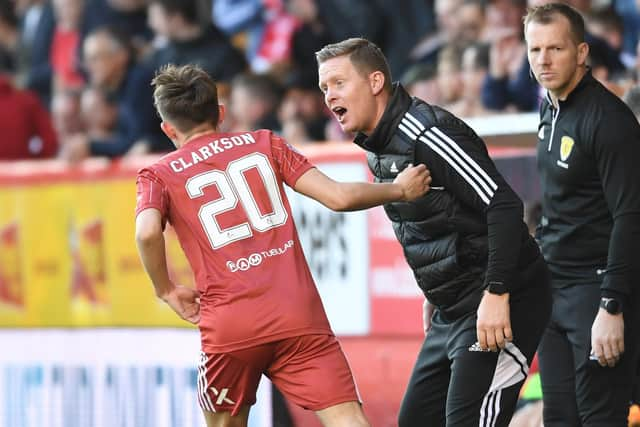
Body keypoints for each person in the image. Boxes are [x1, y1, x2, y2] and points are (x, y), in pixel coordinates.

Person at [134, 63, 431, 427]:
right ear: (221, 113)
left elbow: (147, 233)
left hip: (230, 324)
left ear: (168, 128)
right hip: (296, 313)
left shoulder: (158, 174)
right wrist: (400, 189)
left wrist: (165, 290)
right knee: (349, 420)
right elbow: (337, 197)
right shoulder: (264, 143)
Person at [316, 37, 552, 427]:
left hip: (501, 301)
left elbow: (505, 206)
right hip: (452, 307)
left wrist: (497, 292)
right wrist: (437, 290)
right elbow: (434, 223)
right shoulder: (378, 143)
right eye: (324, 87)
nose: (329, 96)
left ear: (375, 81)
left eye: (338, 83)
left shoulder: (428, 132)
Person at [524, 3, 640, 426]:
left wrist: (612, 306)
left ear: (582, 52)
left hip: (595, 296)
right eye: (535, 50)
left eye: (555, 48)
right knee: (559, 419)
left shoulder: (610, 121)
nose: (544, 60)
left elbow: (630, 217)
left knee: (600, 420)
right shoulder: (549, 109)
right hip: (554, 294)